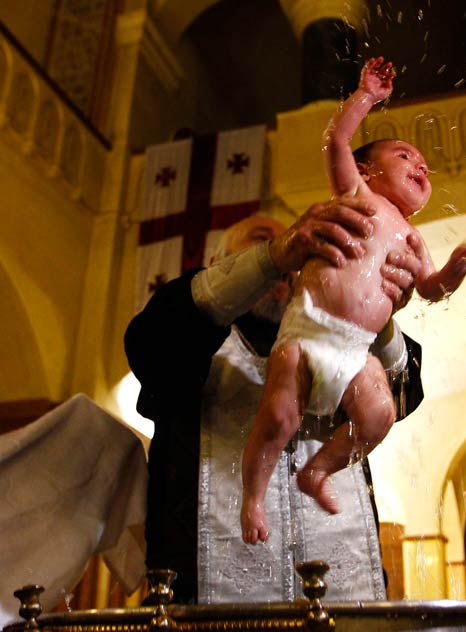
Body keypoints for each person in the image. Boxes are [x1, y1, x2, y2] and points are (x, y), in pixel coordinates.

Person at [124, 198, 425, 604]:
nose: (295, 255)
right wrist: (273, 256)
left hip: (342, 596)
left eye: (300, 253)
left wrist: (379, 308)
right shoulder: (185, 329)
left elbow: (402, 394)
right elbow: (151, 346)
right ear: (218, 263)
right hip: (207, 602)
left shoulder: (334, 340)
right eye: (263, 240)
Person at [240, 57, 466, 543]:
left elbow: (430, 288)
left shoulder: (413, 238)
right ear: (364, 170)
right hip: (309, 329)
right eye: (404, 156)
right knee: (280, 416)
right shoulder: (354, 194)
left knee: (379, 414)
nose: (420, 165)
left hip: (357, 348)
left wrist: (457, 268)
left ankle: (319, 470)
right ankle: (253, 496)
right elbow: (336, 138)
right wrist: (367, 96)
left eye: (424, 165)